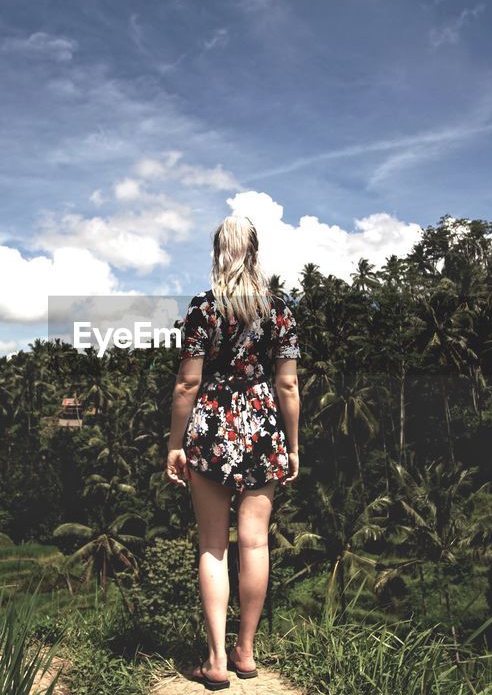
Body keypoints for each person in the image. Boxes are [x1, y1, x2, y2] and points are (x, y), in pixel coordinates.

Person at [165, 214, 301, 690]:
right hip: (262, 427)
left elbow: (188, 383)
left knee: (213, 546)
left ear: (218, 252)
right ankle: (246, 651)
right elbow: (287, 382)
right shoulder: (279, 309)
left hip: (210, 428)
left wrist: (174, 444)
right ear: (256, 251)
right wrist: (292, 445)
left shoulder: (203, 308)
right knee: (256, 543)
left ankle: (216, 658)